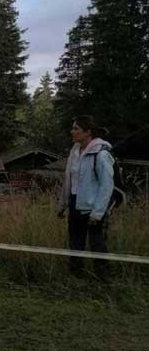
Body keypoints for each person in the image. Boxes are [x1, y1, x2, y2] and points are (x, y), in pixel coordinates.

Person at [57, 116, 115, 279]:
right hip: (75, 203)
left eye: (76, 128)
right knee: (75, 243)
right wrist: (62, 206)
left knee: (97, 244)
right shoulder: (74, 152)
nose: (72, 132)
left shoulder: (101, 154)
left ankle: (103, 279)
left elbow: (106, 185)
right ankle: (76, 278)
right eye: (73, 128)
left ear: (88, 132)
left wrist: (97, 213)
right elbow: (69, 181)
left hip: (93, 206)